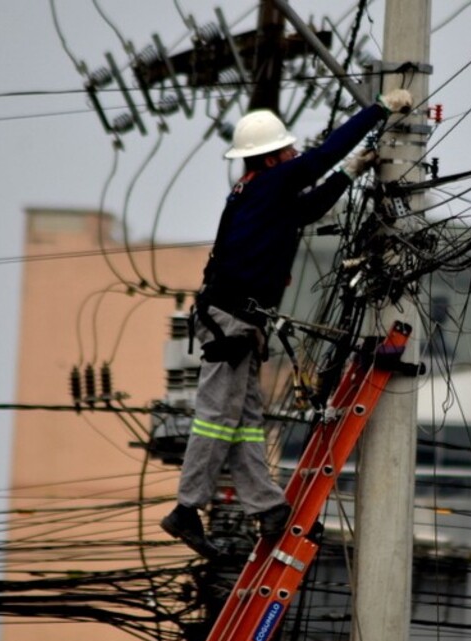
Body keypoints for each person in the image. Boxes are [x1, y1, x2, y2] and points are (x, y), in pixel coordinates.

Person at [161, 89, 414, 558]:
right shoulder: (270, 183)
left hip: (238, 320)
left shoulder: (257, 194)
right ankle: (186, 508)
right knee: (217, 419)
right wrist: (379, 109)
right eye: (289, 150)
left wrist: (348, 173)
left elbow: (308, 209)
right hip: (230, 321)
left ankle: (267, 507)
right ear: (273, 157)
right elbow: (323, 154)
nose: (295, 154)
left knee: (245, 421)